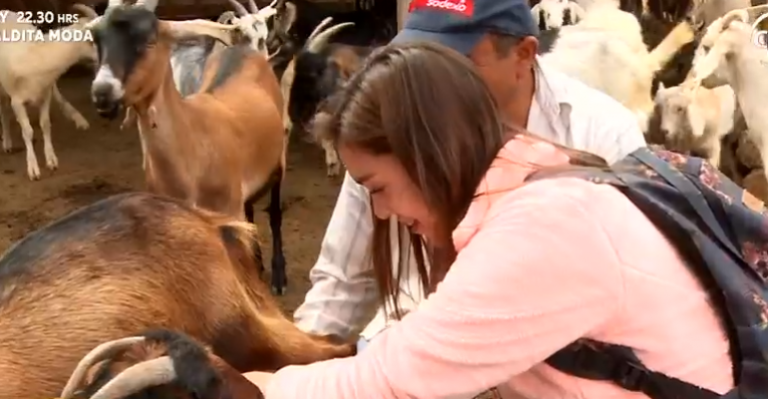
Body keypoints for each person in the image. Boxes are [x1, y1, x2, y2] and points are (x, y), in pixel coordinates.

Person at [244, 41, 731, 399]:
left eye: (377, 188)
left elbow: (398, 379)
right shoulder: (537, 176)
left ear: (426, 154)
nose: (381, 212)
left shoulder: (543, 227)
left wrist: (257, 389)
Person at [293, 0, 647, 349]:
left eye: (455, 62)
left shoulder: (602, 133)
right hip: (409, 349)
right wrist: (292, 360)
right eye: (418, 60)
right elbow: (342, 283)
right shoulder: (394, 125)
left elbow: (630, 289)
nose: (428, 81)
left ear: (523, 54)